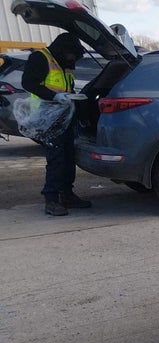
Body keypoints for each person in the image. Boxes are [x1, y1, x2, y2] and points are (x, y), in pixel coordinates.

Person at [21, 32, 91, 216]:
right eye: (71, 54)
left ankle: (67, 194)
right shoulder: (40, 58)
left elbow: (67, 87)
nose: (72, 58)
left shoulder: (65, 64)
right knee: (56, 159)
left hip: (64, 116)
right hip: (47, 117)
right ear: (63, 49)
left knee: (68, 157)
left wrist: (72, 98)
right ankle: (51, 199)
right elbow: (29, 83)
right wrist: (54, 96)